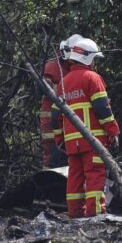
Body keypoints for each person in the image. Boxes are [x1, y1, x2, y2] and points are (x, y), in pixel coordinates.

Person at [52, 37, 120, 218]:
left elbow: (54, 116)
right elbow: (102, 108)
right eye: (95, 59)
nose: (95, 63)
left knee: (75, 178)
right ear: (88, 58)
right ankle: (95, 215)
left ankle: (75, 214)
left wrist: (60, 140)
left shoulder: (62, 84)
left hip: (72, 143)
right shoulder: (92, 78)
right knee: (95, 177)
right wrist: (113, 131)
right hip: (93, 141)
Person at [39, 34, 81, 169]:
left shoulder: (74, 67)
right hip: (51, 124)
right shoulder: (51, 68)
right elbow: (46, 92)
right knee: (52, 160)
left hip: (69, 125)